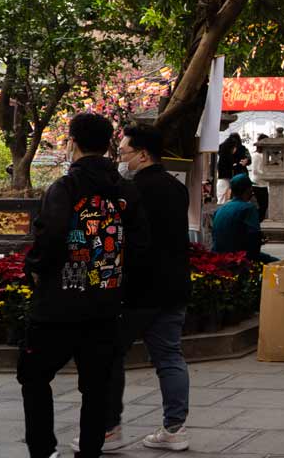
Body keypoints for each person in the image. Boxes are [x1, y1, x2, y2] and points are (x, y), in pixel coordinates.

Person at [19, 113, 149, 458]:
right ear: (107, 145)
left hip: (57, 307)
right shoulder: (125, 191)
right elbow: (139, 246)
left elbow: (50, 236)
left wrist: (35, 268)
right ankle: (90, 451)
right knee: (96, 387)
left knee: (34, 377)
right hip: (105, 306)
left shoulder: (64, 188)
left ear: (72, 142)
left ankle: (43, 450)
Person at [88, 124, 191, 453]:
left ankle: (109, 429)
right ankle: (174, 429)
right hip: (173, 286)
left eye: (124, 153)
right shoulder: (177, 188)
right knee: (170, 357)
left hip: (138, 290)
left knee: (110, 354)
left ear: (143, 155)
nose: (121, 159)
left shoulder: (130, 191)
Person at [212, 174, 276, 262]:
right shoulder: (248, 208)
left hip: (218, 255)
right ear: (248, 190)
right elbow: (254, 239)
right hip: (238, 257)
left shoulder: (221, 208)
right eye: (251, 188)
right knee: (277, 263)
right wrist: (260, 241)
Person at [216, 133, 250, 203]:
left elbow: (248, 159)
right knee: (238, 195)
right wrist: (246, 161)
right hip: (237, 174)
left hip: (226, 174)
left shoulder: (223, 147)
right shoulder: (225, 148)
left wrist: (247, 161)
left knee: (222, 196)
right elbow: (249, 159)